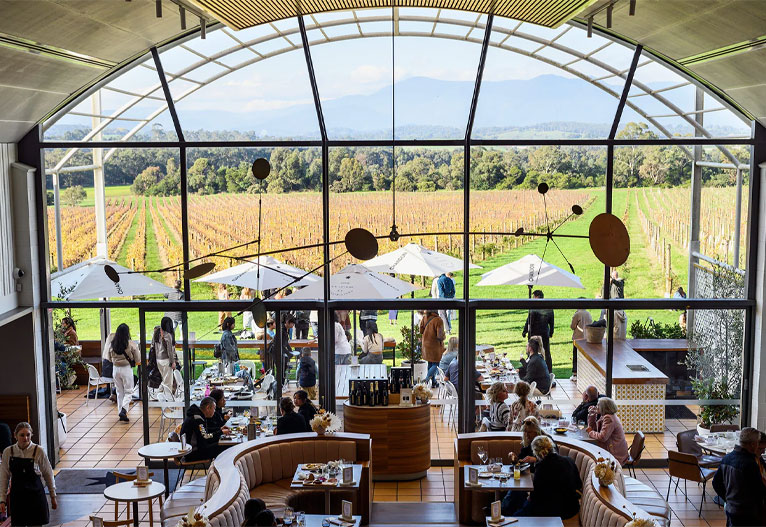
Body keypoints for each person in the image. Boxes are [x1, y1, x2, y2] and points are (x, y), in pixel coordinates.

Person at [0, 422, 57, 526]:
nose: (25, 438)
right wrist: (2, 500)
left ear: (31, 435)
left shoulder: (38, 450)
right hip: (18, 497)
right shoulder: (8, 452)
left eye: (28, 435)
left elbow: (48, 473)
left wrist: (53, 496)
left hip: (35, 496)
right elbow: (4, 477)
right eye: (22, 435)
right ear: (15, 435)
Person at [514, 436, 582, 519]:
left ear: (536, 452)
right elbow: (578, 484)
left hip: (552, 512)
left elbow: (535, 497)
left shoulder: (542, 467)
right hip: (571, 508)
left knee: (516, 516)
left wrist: (528, 499)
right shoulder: (569, 460)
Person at [712, 427, 766, 526]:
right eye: (758, 443)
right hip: (747, 514)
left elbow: (716, 483)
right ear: (753, 444)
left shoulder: (727, 458)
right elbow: (759, 491)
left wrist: (728, 498)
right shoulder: (750, 463)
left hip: (731, 509)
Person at [501, 416, 551, 515]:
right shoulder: (527, 442)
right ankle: (506, 512)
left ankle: (504, 512)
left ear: (536, 431)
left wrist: (536, 459)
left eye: (529, 432)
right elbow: (521, 461)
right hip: (528, 475)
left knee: (518, 485)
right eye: (525, 432)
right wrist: (515, 458)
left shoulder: (546, 441)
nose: (526, 435)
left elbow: (552, 461)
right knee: (516, 484)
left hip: (542, 478)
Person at [108, 323, 141, 422]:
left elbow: (109, 358)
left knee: (119, 392)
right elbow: (138, 359)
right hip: (126, 369)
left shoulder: (112, 344)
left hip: (115, 369)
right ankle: (124, 409)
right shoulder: (131, 344)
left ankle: (121, 412)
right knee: (129, 391)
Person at [180, 397, 229, 462]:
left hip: (197, 449)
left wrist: (219, 429)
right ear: (208, 407)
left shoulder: (197, 415)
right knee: (226, 447)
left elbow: (205, 431)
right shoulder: (197, 419)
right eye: (214, 409)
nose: (214, 411)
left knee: (223, 444)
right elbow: (205, 437)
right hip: (193, 453)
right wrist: (220, 432)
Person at [586, 397, 629, 464]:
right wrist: (592, 415)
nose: (596, 407)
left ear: (604, 408)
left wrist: (590, 432)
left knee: (589, 456)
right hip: (612, 448)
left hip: (615, 453)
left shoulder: (609, 418)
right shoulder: (606, 416)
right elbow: (595, 429)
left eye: (598, 405)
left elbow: (602, 437)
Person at [522, 290, 555, 374]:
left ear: (536, 297)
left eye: (534, 297)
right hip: (544, 332)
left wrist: (525, 331)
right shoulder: (549, 307)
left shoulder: (534, 307)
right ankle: (549, 372)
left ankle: (530, 370)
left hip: (534, 333)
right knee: (547, 353)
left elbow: (529, 320)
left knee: (531, 352)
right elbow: (551, 321)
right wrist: (551, 332)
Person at [421, 310, 446, 387]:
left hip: (425, 344)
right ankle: (427, 379)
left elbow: (421, 330)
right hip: (435, 346)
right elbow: (440, 336)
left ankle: (434, 382)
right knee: (436, 364)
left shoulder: (424, 318)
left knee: (430, 363)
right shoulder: (438, 320)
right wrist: (444, 336)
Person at [157, 316, 178, 398]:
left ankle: (159, 396)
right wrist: (173, 362)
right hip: (166, 360)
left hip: (159, 359)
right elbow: (169, 350)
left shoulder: (159, 333)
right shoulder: (168, 335)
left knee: (164, 380)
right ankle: (167, 400)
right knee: (168, 382)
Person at [569, 304, 592, 380]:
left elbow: (572, 326)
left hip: (578, 338)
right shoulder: (588, 313)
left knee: (576, 356)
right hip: (587, 338)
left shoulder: (577, 314)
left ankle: (575, 374)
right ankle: (584, 373)